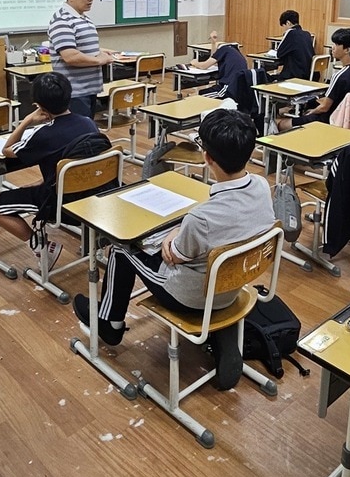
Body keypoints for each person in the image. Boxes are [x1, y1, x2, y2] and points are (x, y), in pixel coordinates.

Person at [72, 108, 274, 354]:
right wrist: (181, 227)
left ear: (207, 157)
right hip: (234, 285)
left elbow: (174, 255)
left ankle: (109, 324)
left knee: (120, 249)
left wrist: (174, 233)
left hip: (191, 296)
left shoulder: (200, 219)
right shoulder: (262, 186)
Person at [0, 71, 102, 271]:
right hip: (93, 197)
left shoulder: (42, 134)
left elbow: (6, 150)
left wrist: (28, 120)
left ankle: (42, 246)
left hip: (61, 205)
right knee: (36, 185)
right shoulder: (88, 122)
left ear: (39, 105)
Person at [48, 0, 117, 118]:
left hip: (89, 89)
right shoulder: (62, 21)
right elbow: (71, 56)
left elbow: (80, 46)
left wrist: (102, 51)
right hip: (74, 92)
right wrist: (100, 60)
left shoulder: (83, 18)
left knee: (86, 131)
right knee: (79, 136)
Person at [276, 27, 350, 132]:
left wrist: (312, 112)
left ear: (347, 50)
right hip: (345, 117)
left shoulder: (340, 76)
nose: (333, 48)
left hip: (329, 119)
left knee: (281, 124)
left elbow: (324, 107)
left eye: (337, 44)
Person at [191, 31, 253, 109]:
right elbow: (214, 58)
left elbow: (204, 66)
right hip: (239, 89)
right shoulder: (234, 51)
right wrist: (213, 43)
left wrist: (195, 63)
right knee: (202, 94)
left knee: (197, 95)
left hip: (228, 89)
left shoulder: (224, 49)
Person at [272, 9, 314, 81]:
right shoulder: (307, 34)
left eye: (284, 26)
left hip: (293, 75)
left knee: (268, 77)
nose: (284, 29)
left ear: (288, 23)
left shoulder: (291, 33)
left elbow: (279, 53)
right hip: (307, 74)